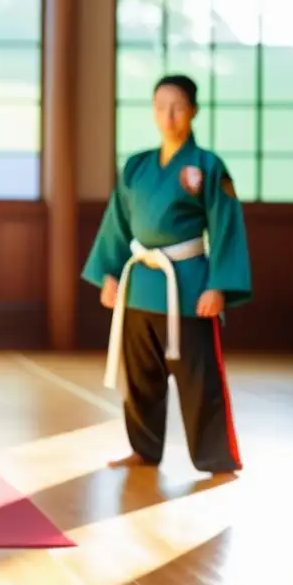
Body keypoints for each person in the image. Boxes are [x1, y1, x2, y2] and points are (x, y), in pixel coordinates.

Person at [82, 74, 251, 474]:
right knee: (140, 376)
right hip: (140, 285)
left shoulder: (208, 167)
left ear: (193, 110)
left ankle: (214, 457)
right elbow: (117, 223)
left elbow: (226, 226)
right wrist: (109, 273)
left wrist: (219, 284)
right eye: (160, 106)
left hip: (190, 287)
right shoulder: (138, 166)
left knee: (199, 378)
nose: (168, 115)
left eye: (177, 106)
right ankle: (144, 448)